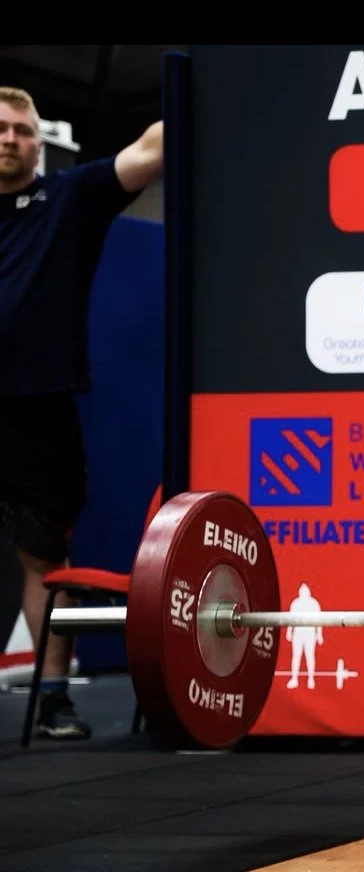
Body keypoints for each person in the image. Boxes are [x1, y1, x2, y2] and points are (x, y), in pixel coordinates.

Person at [0, 86, 163, 739]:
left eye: (22, 130)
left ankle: (51, 698)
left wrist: (203, 87)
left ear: (41, 143)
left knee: (46, 559)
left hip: (39, 410)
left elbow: (153, 147)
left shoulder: (70, 197)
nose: (10, 138)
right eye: (1, 128)